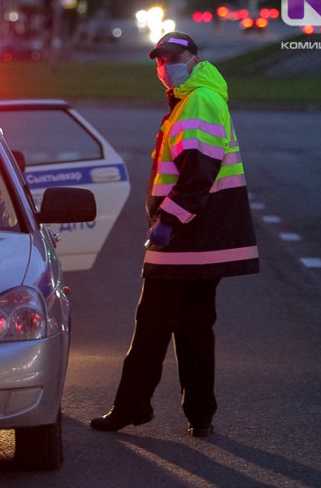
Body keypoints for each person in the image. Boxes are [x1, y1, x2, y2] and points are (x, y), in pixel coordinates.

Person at [90, 31, 259, 437]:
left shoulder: (198, 100)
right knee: (195, 326)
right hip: (207, 237)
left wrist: (167, 223)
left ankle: (131, 407)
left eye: (174, 57)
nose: (165, 66)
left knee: (152, 324)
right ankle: (200, 416)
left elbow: (198, 174)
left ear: (195, 58)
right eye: (160, 61)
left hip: (186, 238)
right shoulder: (201, 96)